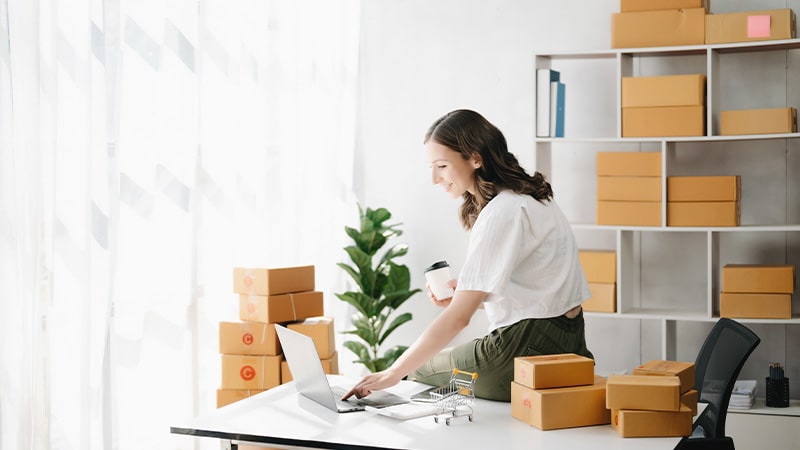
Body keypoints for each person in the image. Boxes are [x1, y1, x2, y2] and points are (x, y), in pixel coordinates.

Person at [342, 109, 593, 402]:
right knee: (428, 364)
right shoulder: (531, 199)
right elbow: (540, 295)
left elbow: (457, 320)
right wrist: (464, 297)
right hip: (570, 341)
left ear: (475, 159)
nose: (435, 178)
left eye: (442, 166)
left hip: (524, 349)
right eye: (431, 167)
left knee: (416, 370)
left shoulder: (501, 212)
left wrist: (392, 373)